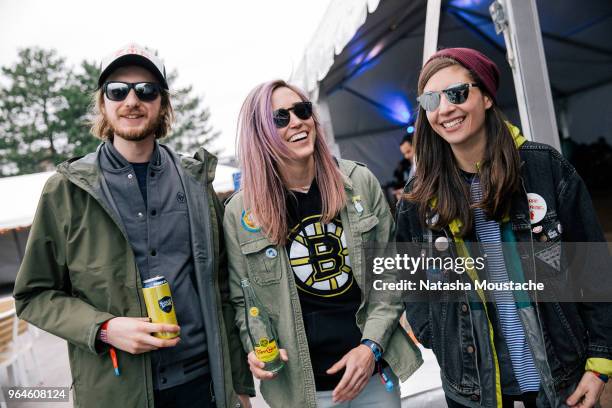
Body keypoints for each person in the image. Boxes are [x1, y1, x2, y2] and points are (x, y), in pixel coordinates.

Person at [13, 43, 253, 408]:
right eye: (117, 90)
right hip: (115, 393)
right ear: (103, 103)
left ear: (163, 103)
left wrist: (237, 387)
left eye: (146, 90)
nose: (132, 100)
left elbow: (222, 289)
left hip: (202, 387)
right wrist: (105, 328)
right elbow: (34, 296)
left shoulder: (195, 182)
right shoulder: (65, 191)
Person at [397, 47, 611, 407]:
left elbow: (595, 273)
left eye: (457, 93)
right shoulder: (417, 199)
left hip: (560, 381)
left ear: (487, 97)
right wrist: (438, 335)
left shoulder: (545, 169)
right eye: (431, 99)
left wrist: (599, 362)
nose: (445, 108)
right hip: (473, 389)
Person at [223, 80, 422, 408]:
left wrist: (369, 348)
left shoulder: (359, 182)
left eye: (302, 111)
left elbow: (390, 275)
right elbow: (242, 300)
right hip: (302, 391)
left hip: (372, 376)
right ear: (259, 132)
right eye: (280, 118)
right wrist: (253, 347)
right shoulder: (241, 212)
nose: (297, 121)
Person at [391, 133, 416, 202]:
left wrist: (406, 194)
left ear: (417, 145)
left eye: (408, 151)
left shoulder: (429, 162)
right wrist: (404, 193)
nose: (406, 156)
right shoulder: (413, 166)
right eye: (404, 154)